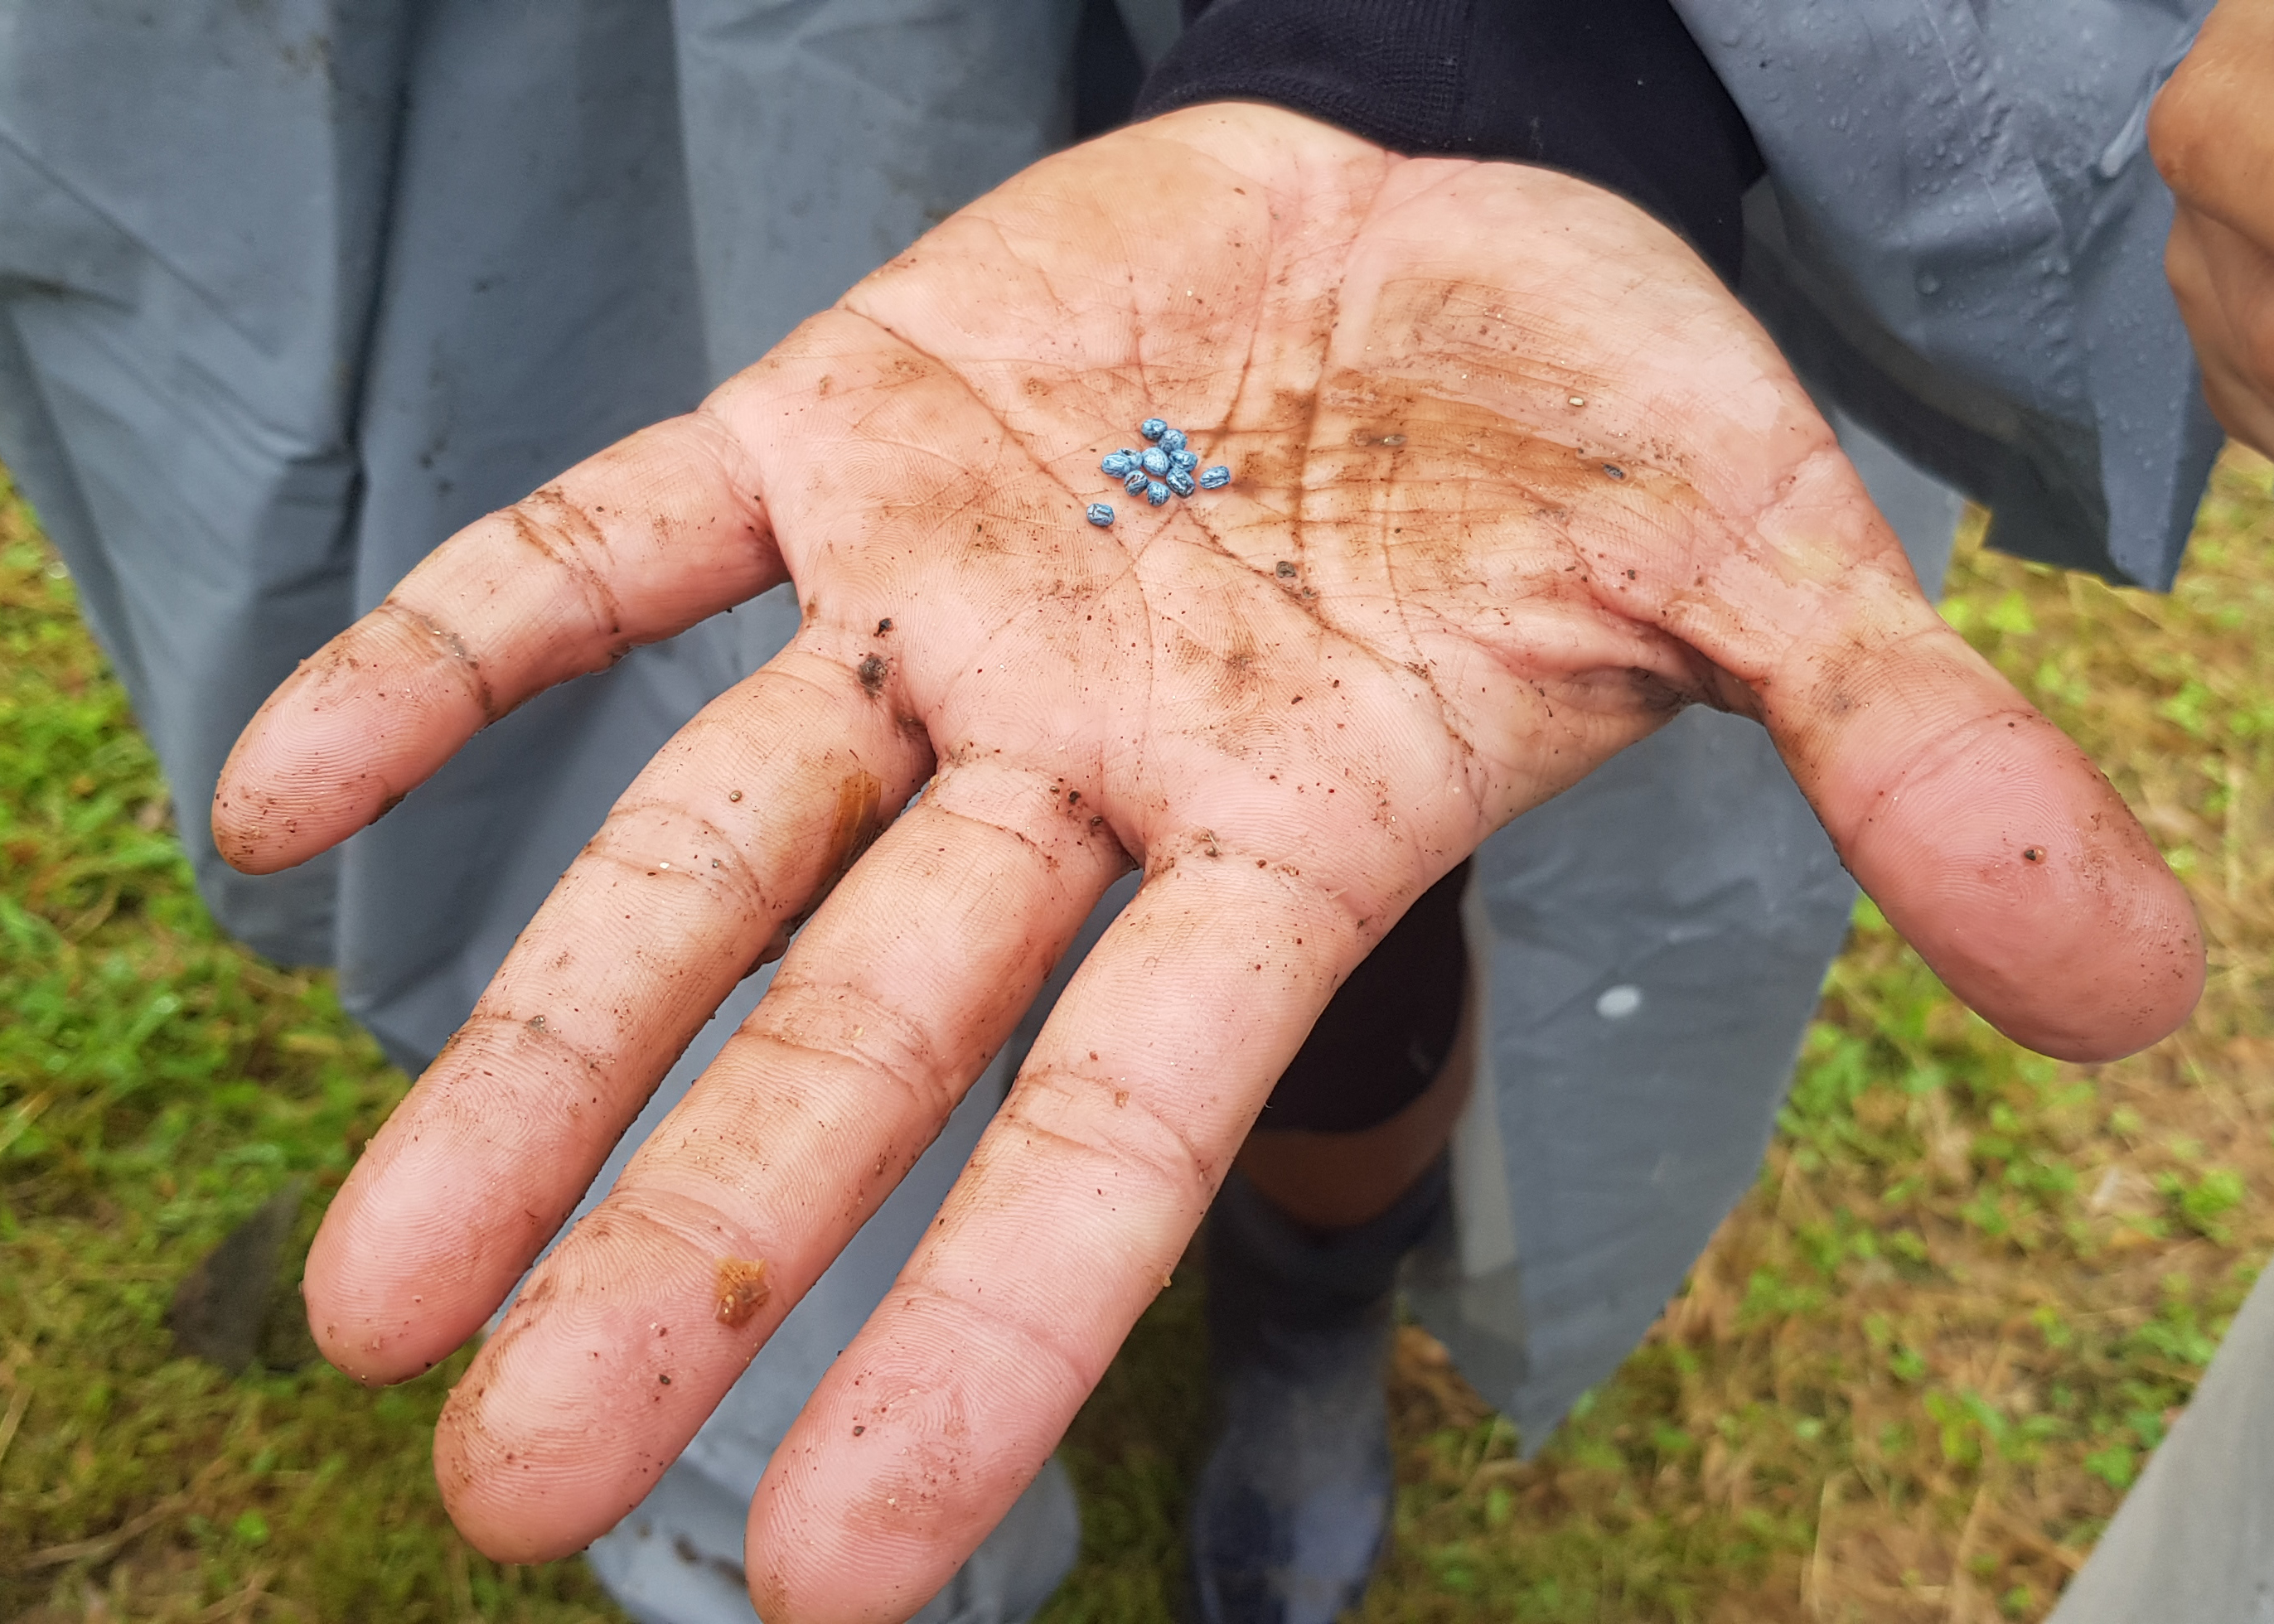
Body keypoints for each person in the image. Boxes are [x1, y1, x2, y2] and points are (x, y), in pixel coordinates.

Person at [0, 3, 2242, 1622]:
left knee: (1313, 844)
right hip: (723, 109)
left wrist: (1488, 60)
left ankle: (1310, 1305)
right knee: (750, 677)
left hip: (1509, 173)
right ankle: (704, 1317)